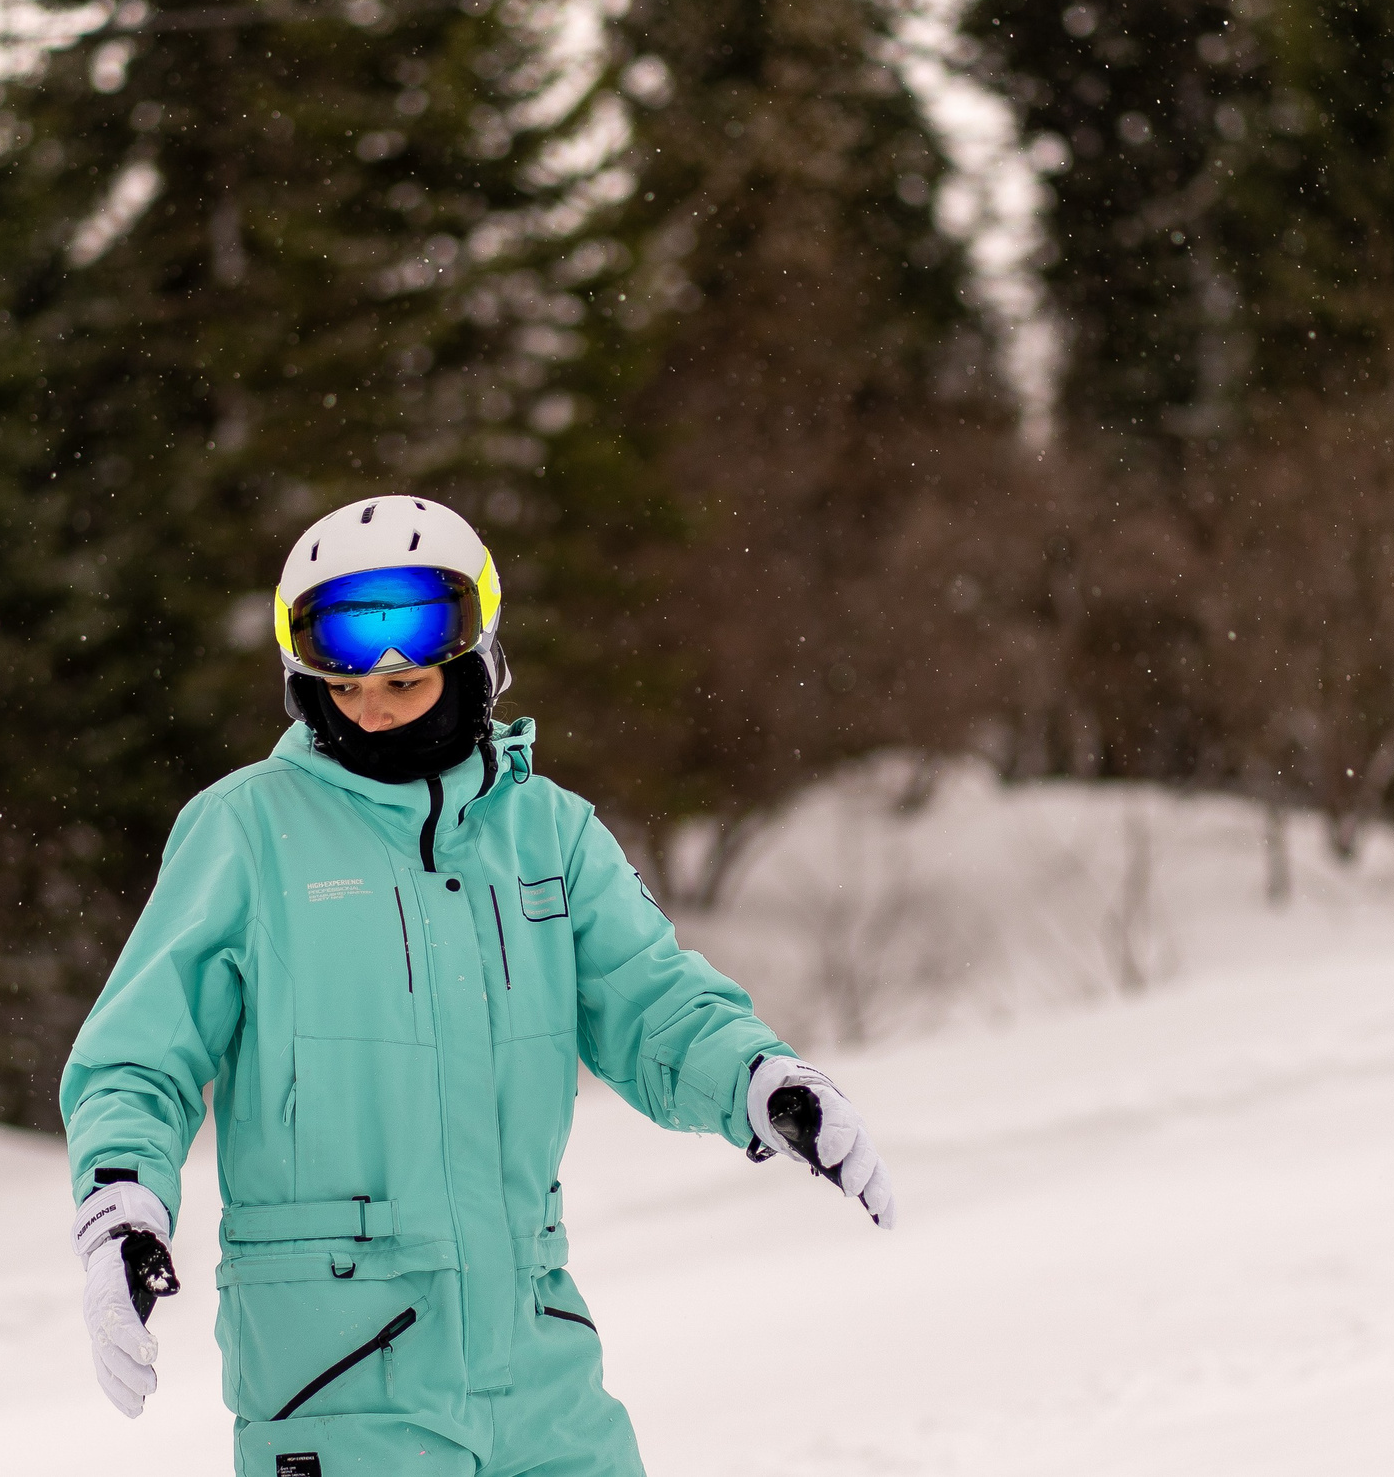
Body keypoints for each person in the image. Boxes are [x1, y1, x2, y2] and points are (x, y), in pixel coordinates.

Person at [61, 496, 892, 1477]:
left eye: (403, 682)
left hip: (535, 1357)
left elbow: (650, 997)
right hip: (336, 1375)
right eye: (340, 686)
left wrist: (756, 1077)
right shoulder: (245, 832)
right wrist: (122, 1195)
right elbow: (137, 1053)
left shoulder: (549, 832)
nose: (368, 710)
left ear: (471, 666)